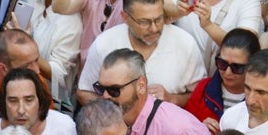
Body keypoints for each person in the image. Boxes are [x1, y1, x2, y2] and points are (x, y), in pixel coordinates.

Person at [91, 49, 209, 135]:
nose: (105, 97)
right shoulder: (106, 122)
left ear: (141, 86)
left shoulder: (180, 130)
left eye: (114, 90)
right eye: (100, 88)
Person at [77, 0, 207, 108]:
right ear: (125, 18)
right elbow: (84, 93)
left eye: (159, 19)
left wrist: (173, 99)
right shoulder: (105, 44)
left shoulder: (185, 43)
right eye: (144, 22)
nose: (154, 28)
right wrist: (115, 110)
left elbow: (201, 96)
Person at [185, 28, 261, 132]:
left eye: (237, 67)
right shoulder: (203, 88)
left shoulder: (262, 99)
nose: (227, 72)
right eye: (222, 63)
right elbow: (185, 129)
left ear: (253, 66)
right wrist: (199, 128)